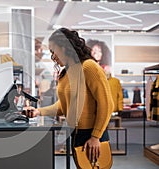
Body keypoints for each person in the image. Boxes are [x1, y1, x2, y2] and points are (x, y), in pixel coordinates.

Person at [23, 28, 113, 165]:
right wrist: (38, 111)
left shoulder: (89, 67)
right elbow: (63, 105)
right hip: (76, 133)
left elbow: (106, 104)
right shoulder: (66, 73)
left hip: (92, 134)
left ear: (65, 47)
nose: (52, 56)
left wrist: (96, 136)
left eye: (54, 50)